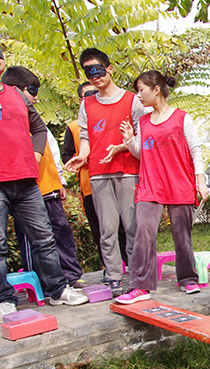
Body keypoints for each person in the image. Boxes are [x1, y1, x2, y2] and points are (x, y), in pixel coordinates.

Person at [0, 54, 88, 314]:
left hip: (26, 181)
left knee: (45, 239)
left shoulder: (15, 95)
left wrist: (35, 155)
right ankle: (4, 298)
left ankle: (57, 290)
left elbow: (39, 129)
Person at [115, 71, 208, 304]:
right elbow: (141, 153)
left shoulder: (182, 118)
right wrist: (129, 140)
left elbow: (195, 151)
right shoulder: (142, 121)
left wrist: (201, 181)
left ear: (156, 89)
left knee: (181, 235)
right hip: (150, 185)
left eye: (141, 90)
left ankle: (188, 278)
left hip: (179, 183)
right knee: (143, 234)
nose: (138, 96)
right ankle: (139, 286)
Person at [65, 48, 146, 296]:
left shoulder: (132, 100)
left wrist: (122, 146)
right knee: (107, 229)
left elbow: (142, 139)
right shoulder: (87, 104)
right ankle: (113, 277)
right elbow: (86, 137)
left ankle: (137, 278)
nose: (95, 76)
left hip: (128, 171)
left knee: (132, 227)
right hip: (98, 173)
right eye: (89, 73)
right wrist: (83, 155)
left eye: (98, 70)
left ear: (109, 69)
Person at [61, 81, 128, 280]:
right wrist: (83, 160)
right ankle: (111, 270)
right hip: (92, 187)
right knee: (103, 231)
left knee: (126, 227)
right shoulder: (74, 128)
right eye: (87, 94)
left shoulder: (117, 117)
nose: (92, 96)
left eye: (95, 92)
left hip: (121, 180)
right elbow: (67, 156)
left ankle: (132, 266)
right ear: (81, 100)